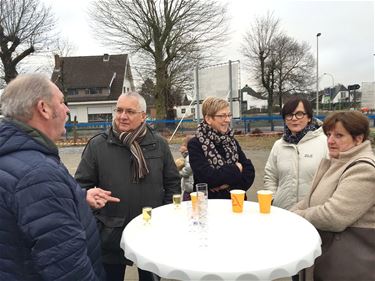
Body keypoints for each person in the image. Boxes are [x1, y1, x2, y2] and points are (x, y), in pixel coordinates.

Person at [0, 74, 107, 280]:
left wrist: (77, 198)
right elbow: (69, 269)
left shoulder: (14, 157)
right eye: (61, 102)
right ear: (44, 108)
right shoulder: (38, 174)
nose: (67, 109)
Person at [75, 91, 181, 281]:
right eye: (119, 110)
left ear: (143, 116)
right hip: (110, 231)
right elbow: (81, 186)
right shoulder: (98, 145)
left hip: (150, 230)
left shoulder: (159, 145)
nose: (123, 116)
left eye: (130, 112)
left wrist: (165, 214)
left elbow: (172, 182)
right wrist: (93, 208)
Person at [292, 111, 375, 281]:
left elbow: (333, 217)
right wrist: (288, 214)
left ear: (358, 138)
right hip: (329, 262)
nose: (330, 141)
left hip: (348, 267)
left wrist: (295, 217)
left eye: (339, 135)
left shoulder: (363, 169)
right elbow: (310, 200)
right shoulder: (337, 162)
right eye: (329, 134)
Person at [264, 96, 328, 210]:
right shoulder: (279, 145)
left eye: (299, 114)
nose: (294, 118)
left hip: (313, 214)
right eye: (289, 115)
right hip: (284, 213)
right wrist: (273, 200)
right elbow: (270, 176)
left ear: (309, 117)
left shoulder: (325, 142)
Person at [188, 96, 255, 199]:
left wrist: (230, 186)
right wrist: (237, 168)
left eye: (229, 115)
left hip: (236, 203)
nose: (227, 120)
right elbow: (206, 177)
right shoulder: (196, 144)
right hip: (209, 205)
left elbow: (249, 172)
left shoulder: (231, 140)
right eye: (222, 116)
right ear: (208, 119)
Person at [176, 134, 194, 201]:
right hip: (189, 185)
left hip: (190, 187)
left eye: (183, 145)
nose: (181, 147)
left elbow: (188, 170)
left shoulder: (190, 157)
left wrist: (179, 172)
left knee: (187, 203)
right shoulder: (188, 155)